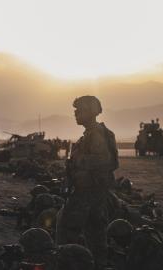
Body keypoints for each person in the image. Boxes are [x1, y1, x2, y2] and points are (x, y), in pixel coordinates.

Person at [56, 96, 118, 269]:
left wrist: (78, 161)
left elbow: (105, 161)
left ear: (90, 112)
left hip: (88, 194)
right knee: (96, 238)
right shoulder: (90, 134)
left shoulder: (96, 134)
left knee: (65, 233)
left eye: (80, 110)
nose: (76, 113)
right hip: (92, 194)